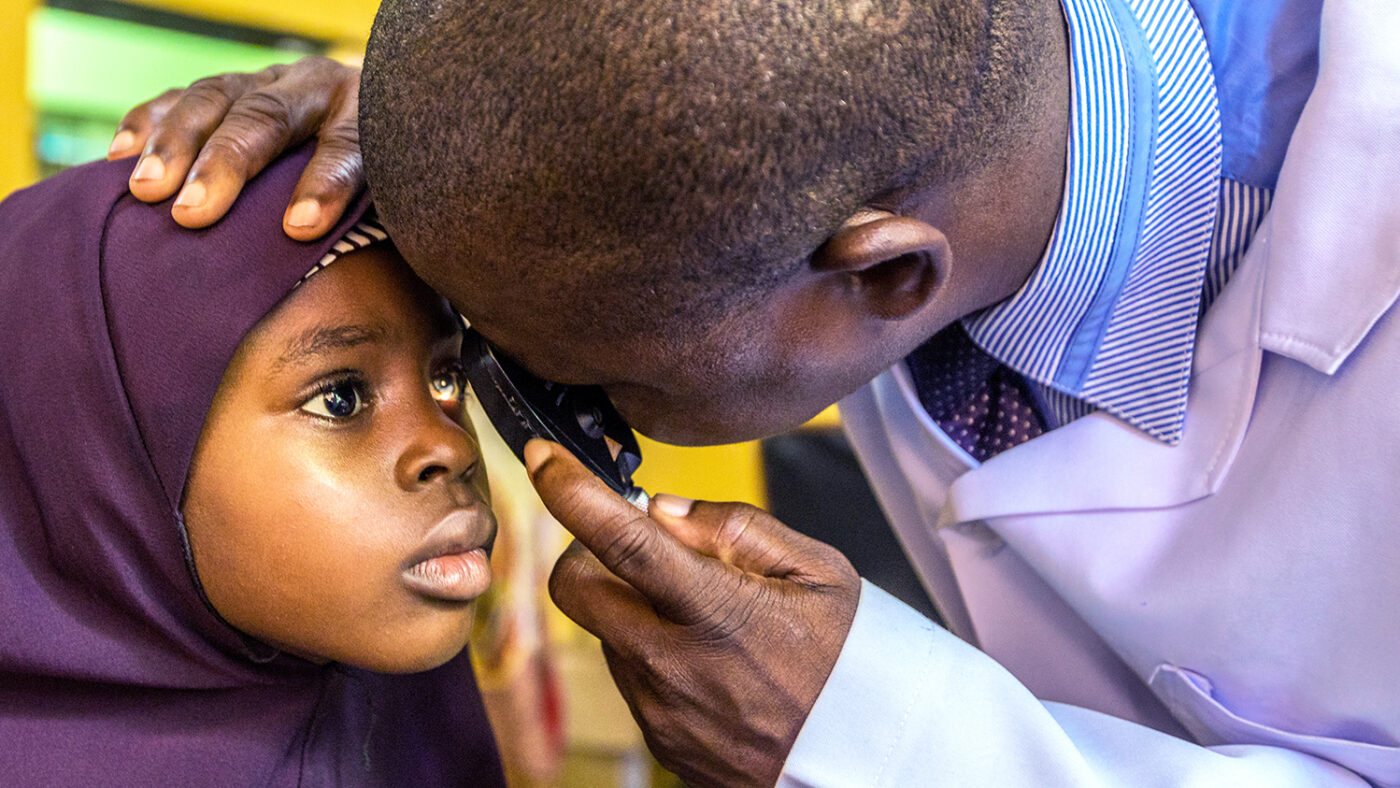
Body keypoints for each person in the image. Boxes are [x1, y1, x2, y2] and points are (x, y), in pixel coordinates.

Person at [107, 0, 1399, 784]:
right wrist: (479, 162)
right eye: (345, 389)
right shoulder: (927, 126)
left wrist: (900, 752)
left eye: (589, 372)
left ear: (887, 274)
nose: (479, 428)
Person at [0, 149, 506, 786]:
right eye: (340, 397)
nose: (452, 449)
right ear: (108, 473)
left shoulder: (419, 725)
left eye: (445, 379)